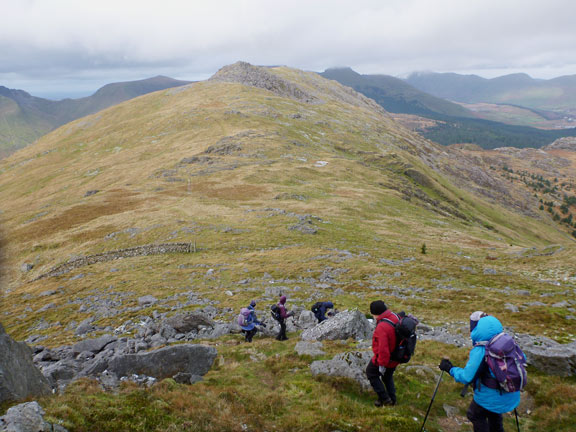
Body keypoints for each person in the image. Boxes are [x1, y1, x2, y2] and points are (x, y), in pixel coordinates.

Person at [439, 312, 522, 432]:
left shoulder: (481, 349)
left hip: (491, 396)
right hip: (512, 393)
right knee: (494, 415)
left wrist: (450, 369)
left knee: (474, 414)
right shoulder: (508, 341)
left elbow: (467, 377)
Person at [366, 300, 400, 407]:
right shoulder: (394, 316)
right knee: (387, 377)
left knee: (371, 373)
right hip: (396, 356)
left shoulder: (382, 327)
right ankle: (392, 400)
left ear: (375, 313)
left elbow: (383, 348)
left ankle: (385, 398)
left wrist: (382, 364)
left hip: (386, 359)